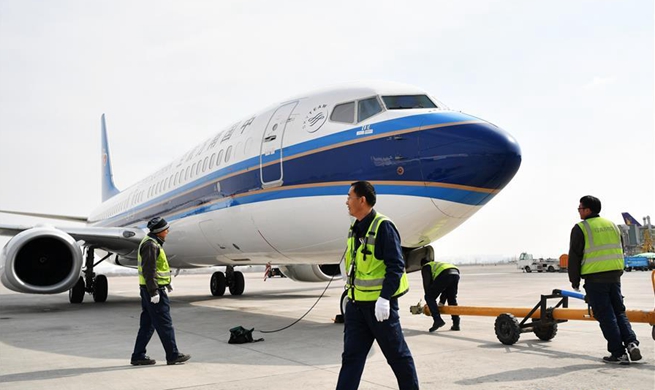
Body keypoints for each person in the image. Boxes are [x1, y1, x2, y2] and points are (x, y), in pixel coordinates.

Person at [336, 181, 419, 390]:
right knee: (351, 359)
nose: (346, 202)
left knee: (398, 357)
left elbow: (396, 265)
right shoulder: (355, 228)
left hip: (379, 309)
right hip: (356, 306)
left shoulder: (383, 227)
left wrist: (384, 299)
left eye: (349, 197)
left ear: (362, 200)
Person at [568, 195, 641, 364]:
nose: (579, 212)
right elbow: (620, 249)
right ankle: (631, 343)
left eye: (580, 208)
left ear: (587, 210)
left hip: (595, 278)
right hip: (615, 276)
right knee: (619, 311)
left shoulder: (581, 228)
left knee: (606, 315)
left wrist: (575, 281)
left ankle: (618, 353)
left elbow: (574, 257)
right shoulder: (613, 226)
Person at [130, 217, 191, 366]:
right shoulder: (150, 245)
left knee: (147, 325)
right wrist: (154, 292)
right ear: (159, 231)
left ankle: (138, 356)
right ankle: (173, 355)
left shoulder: (153, 243)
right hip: (153, 291)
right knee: (165, 324)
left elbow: (157, 270)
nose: (168, 231)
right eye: (166, 229)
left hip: (150, 289)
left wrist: (167, 283)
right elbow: (149, 271)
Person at [420, 259, 460, 332]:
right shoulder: (438, 264)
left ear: (422, 265)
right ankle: (456, 323)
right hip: (455, 272)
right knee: (451, 299)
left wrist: (429, 301)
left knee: (429, 296)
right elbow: (445, 288)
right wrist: (442, 301)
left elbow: (427, 284)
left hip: (445, 274)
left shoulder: (426, 266)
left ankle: (437, 319)